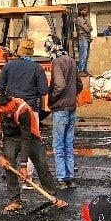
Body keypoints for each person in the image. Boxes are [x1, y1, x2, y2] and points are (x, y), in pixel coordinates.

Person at [0, 92, 68, 211]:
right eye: (5, 113)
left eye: (10, 111)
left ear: (13, 105)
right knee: (8, 163)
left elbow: (25, 139)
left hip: (29, 136)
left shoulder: (23, 109)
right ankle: (15, 201)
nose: (8, 114)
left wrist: (23, 165)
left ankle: (52, 196)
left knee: (41, 163)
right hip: (10, 136)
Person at [47, 38, 79, 186]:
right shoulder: (71, 60)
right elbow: (79, 85)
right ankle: (70, 177)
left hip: (60, 109)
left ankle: (61, 177)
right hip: (72, 107)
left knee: (58, 145)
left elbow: (59, 86)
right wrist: (71, 96)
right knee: (68, 144)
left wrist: (52, 99)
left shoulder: (57, 62)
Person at [0, 38, 48, 113]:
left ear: (19, 51)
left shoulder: (8, 65)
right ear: (31, 52)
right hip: (30, 108)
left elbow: (0, 88)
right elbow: (44, 91)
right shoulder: (37, 68)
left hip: (12, 107)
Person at [74, 7, 93, 74]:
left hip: (87, 38)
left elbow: (91, 28)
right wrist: (88, 27)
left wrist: (89, 27)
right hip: (83, 38)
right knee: (83, 55)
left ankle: (85, 70)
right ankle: (81, 70)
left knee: (86, 56)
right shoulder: (79, 19)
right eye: (84, 10)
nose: (86, 11)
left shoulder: (85, 19)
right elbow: (87, 29)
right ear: (80, 11)